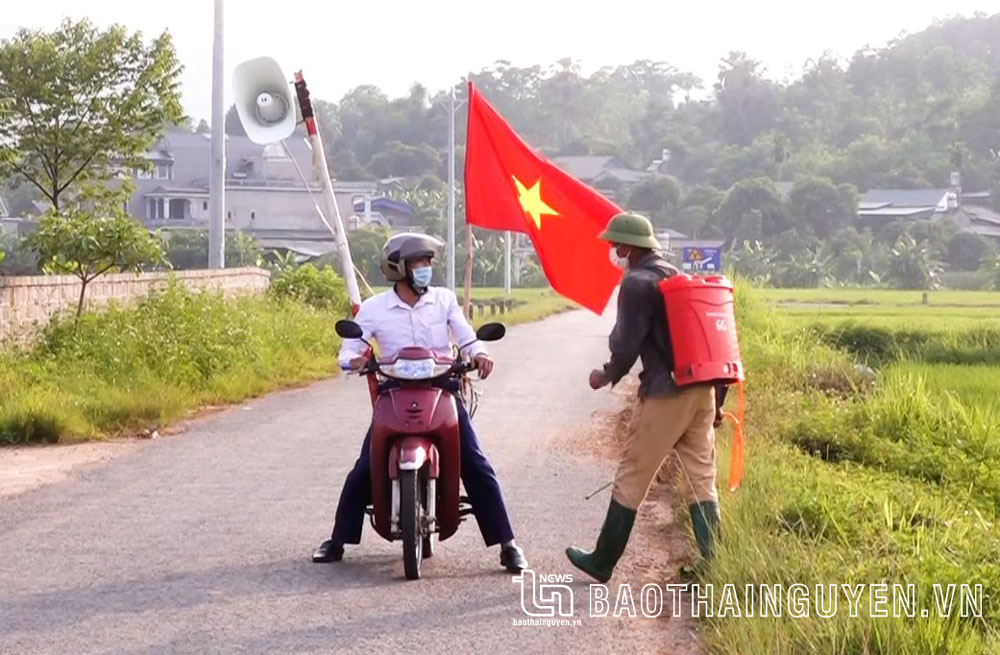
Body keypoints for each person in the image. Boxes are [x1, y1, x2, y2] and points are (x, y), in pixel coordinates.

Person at [312, 233, 528, 573]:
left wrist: (480, 354)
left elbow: (466, 335)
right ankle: (338, 540)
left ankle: (507, 544)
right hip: (394, 393)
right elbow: (352, 347)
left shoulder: (442, 300)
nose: (425, 268)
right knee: (365, 466)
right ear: (398, 267)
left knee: (475, 463)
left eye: (427, 262)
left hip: (441, 389)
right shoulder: (375, 309)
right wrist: (352, 360)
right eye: (418, 263)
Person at [565, 213, 722, 583]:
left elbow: (626, 343)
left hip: (667, 393)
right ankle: (715, 564)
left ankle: (602, 560)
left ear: (627, 247)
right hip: (702, 390)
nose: (612, 252)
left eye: (614, 246)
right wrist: (719, 398)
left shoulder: (636, 284)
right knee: (702, 478)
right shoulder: (675, 275)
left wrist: (607, 373)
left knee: (633, 475)